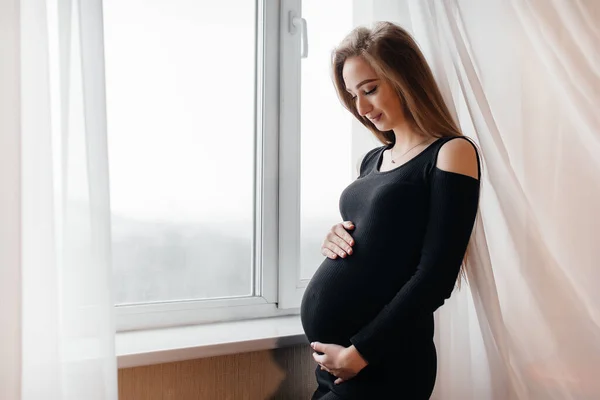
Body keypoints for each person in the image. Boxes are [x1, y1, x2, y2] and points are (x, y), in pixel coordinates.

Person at [299, 22, 481, 399]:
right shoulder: (373, 160)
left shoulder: (451, 153)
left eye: (370, 89)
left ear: (405, 77)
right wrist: (338, 236)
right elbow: (382, 238)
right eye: (353, 96)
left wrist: (361, 352)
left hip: (385, 363)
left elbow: (436, 275)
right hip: (339, 366)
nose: (362, 108)